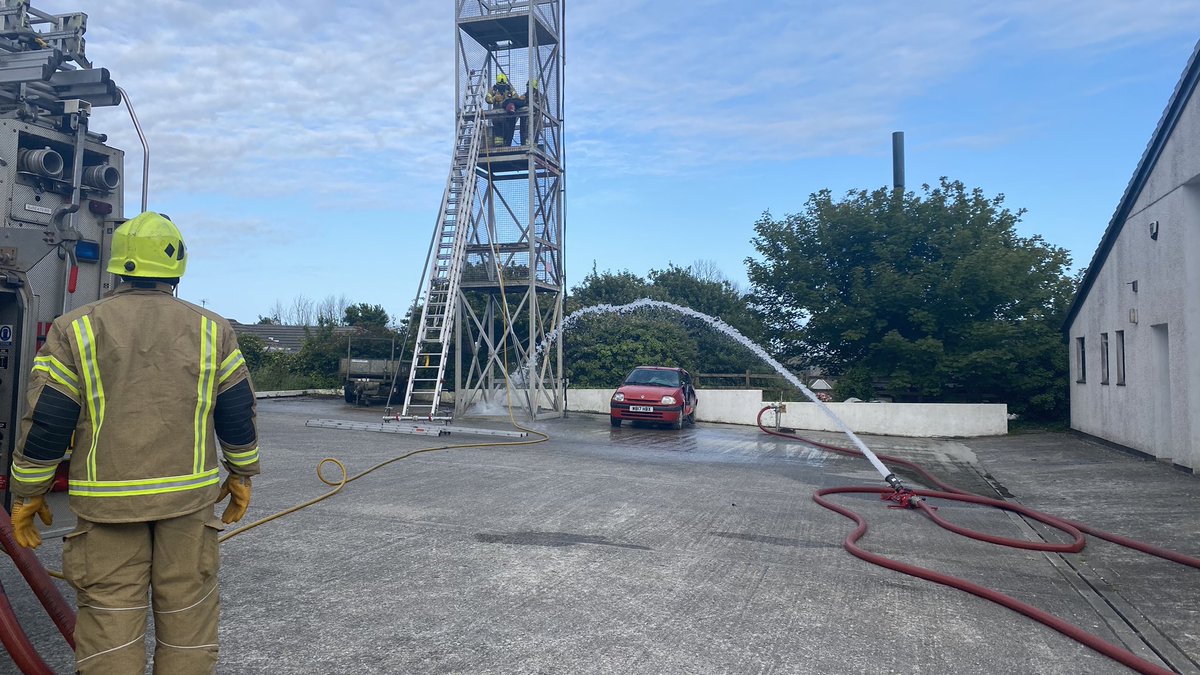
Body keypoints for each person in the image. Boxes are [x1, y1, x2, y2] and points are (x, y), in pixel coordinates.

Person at [8, 211, 260, 674]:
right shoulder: (212, 330)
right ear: (177, 269)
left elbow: (48, 421)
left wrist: (29, 492)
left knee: (110, 626)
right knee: (188, 621)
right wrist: (241, 474)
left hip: (108, 508)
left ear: (118, 265)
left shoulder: (76, 329)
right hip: (188, 504)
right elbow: (237, 411)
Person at [485, 72, 517, 146]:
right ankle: (498, 146)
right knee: (498, 133)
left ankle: (506, 145)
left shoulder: (509, 88)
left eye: (503, 85)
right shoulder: (493, 89)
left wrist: (507, 99)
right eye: (500, 85)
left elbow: (516, 97)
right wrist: (495, 98)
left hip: (507, 116)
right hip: (496, 116)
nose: (502, 87)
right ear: (497, 84)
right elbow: (487, 99)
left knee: (507, 131)